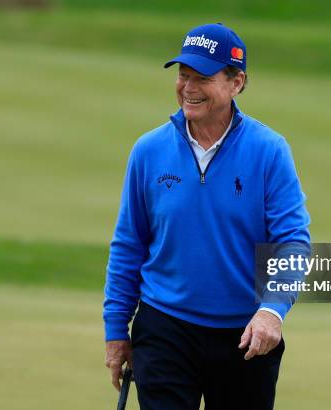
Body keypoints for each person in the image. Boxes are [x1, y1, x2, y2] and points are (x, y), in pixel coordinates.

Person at [104, 23, 311, 410]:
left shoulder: (269, 151)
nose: (188, 87)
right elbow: (129, 244)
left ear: (237, 83)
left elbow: (293, 242)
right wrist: (116, 329)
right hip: (164, 327)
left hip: (246, 334)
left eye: (202, 77)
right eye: (183, 75)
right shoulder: (148, 150)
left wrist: (273, 311)